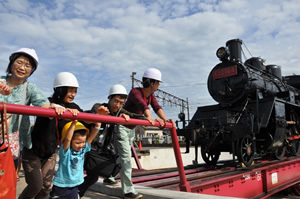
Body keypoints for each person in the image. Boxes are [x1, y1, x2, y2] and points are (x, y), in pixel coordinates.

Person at [19, 72, 82, 199]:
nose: (73, 95)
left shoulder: (72, 107)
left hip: (51, 152)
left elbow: (87, 116)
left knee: (46, 186)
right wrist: (53, 107)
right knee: (36, 185)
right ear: (60, 90)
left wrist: (95, 113)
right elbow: (45, 105)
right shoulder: (47, 102)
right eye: (70, 91)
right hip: (33, 151)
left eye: (75, 91)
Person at [117, 68, 174, 199]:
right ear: (152, 83)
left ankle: (109, 174)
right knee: (126, 159)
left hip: (131, 129)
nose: (159, 85)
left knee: (122, 157)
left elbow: (157, 107)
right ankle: (128, 191)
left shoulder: (151, 96)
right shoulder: (135, 92)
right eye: (158, 83)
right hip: (121, 127)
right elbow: (144, 107)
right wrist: (150, 119)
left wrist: (166, 121)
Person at [78, 84, 144, 197]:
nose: (117, 105)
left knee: (93, 177)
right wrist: (99, 114)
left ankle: (76, 194)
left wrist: (151, 119)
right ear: (109, 98)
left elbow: (134, 116)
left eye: (121, 103)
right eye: (116, 101)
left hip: (101, 150)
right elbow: (92, 114)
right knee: (77, 175)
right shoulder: (99, 107)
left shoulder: (119, 112)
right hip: (87, 147)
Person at [0, 48, 50, 169]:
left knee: (7, 182)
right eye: (19, 62)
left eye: (28, 66)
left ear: (31, 70)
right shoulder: (0, 81)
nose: (22, 68)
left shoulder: (29, 88)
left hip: (12, 141)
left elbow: (43, 103)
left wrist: (55, 109)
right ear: (11, 63)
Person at [49, 120, 102, 199]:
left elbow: (90, 138)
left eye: (83, 142)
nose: (81, 145)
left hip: (74, 186)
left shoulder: (82, 150)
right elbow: (67, 139)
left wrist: (98, 126)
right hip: (61, 187)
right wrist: (74, 123)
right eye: (77, 143)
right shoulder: (66, 152)